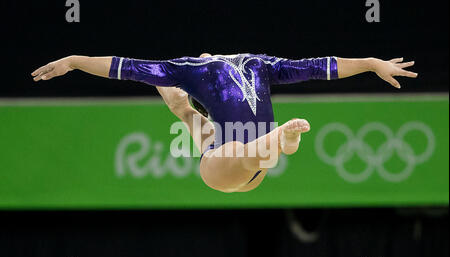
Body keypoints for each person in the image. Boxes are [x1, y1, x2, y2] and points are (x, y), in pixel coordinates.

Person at [31, 53, 417, 192]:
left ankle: (276, 144)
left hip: (242, 161)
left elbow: (319, 66)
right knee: (213, 132)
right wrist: (77, 61)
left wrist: (369, 64)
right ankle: (278, 143)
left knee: (188, 114)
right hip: (228, 161)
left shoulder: (254, 65)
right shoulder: (206, 67)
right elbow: (125, 68)